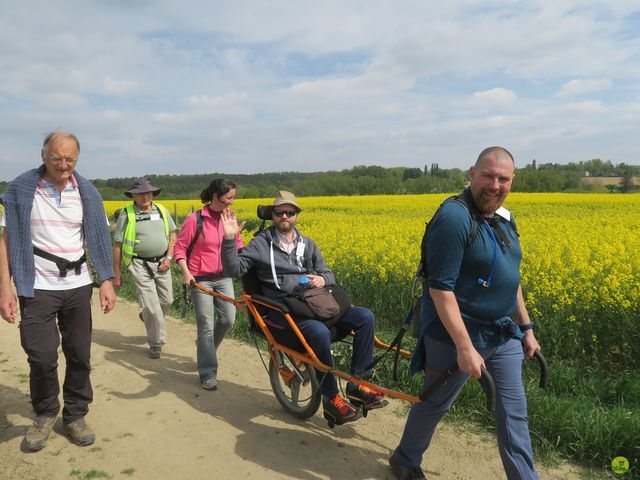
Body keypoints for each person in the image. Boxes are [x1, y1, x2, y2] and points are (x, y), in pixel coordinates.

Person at [389, 147, 542, 480]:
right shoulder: (454, 218)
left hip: (502, 335)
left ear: (512, 181)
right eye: (488, 176)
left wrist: (526, 327)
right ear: (471, 173)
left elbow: (509, 277)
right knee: (434, 404)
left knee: (514, 415)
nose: (495, 185)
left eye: (503, 179)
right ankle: (404, 460)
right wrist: (464, 347)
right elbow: (440, 290)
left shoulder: (505, 218)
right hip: (454, 334)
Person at [220, 191, 387, 426]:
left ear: (296, 215)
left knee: (365, 317)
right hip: (285, 310)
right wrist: (229, 240)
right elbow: (233, 270)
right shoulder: (261, 243)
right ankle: (331, 400)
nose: (284, 216)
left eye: (290, 212)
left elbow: (328, 273)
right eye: (279, 212)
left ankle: (357, 384)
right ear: (273, 216)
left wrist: (322, 280)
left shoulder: (307, 244)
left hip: (316, 303)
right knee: (319, 332)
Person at [0, 131, 116, 451]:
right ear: (43, 155)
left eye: (70, 159)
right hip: (36, 285)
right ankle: (46, 412)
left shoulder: (88, 193)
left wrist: (106, 280)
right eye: (57, 158)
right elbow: (6, 240)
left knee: (79, 354)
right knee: (40, 356)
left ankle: (75, 415)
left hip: (78, 285)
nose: (63, 164)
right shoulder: (22, 190)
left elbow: (99, 239)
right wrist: (4, 289)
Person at [173, 178, 244, 390]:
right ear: (215, 196)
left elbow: (238, 247)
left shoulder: (229, 217)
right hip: (200, 279)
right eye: (228, 198)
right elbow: (180, 248)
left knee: (228, 320)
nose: (231, 202)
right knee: (205, 326)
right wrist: (186, 273)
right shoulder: (196, 220)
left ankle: (205, 349)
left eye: (233, 198)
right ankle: (208, 373)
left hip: (223, 277)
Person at [112, 177, 177, 359]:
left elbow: (173, 236)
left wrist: (169, 258)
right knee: (153, 306)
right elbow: (117, 246)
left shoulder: (162, 211)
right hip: (139, 264)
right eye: (140, 193)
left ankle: (147, 315)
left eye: (147, 192)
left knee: (167, 300)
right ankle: (156, 343)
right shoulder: (127, 214)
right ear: (133, 195)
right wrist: (116, 275)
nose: (145, 196)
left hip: (163, 263)